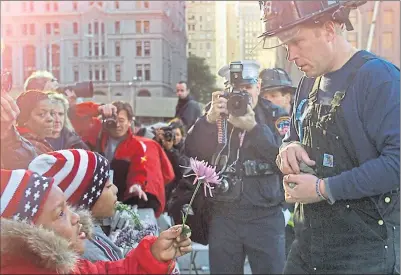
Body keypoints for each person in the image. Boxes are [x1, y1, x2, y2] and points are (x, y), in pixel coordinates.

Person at [259, 1, 400, 273]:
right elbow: (293, 135)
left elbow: (397, 164)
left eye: (297, 41)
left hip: (365, 253)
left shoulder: (380, 79)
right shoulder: (308, 82)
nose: (291, 55)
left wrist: (322, 189)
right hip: (307, 245)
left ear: (329, 29)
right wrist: (288, 147)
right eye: (286, 45)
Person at [185, 60, 288, 274]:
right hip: (224, 213)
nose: (242, 95)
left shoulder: (275, 115)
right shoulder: (215, 114)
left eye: (248, 88)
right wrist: (208, 120)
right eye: (236, 89)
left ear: (259, 86)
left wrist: (254, 128)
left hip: (265, 213)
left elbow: (285, 159)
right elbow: (191, 152)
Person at [0, 169, 192, 274]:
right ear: (26, 235)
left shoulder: (68, 267)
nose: (75, 217)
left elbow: (111, 271)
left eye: (68, 207)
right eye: (60, 213)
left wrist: (153, 256)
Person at [68, 101, 149, 208]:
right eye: (114, 120)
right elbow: (73, 113)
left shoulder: (136, 146)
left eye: (121, 120)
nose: (117, 125)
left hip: (117, 199)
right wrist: (98, 109)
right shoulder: (96, 131)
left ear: (129, 122)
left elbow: (138, 170)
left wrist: (136, 184)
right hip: (90, 195)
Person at [259, 67, 297, 256]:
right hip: (270, 206)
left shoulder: (298, 121)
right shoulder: (259, 125)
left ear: (288, 96)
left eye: (273, 95)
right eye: (264, 96)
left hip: (292, 205)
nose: (268, 101)